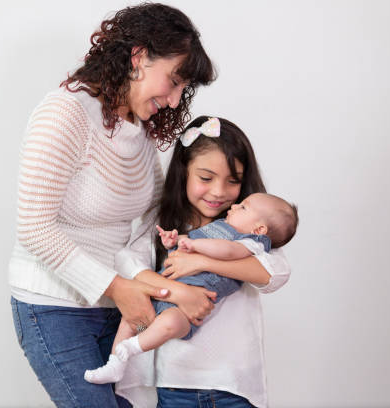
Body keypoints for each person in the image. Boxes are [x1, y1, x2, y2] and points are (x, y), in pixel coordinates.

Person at [8, 4, 216, 407]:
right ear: (138, 57)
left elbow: (156, 212)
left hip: (114, 306)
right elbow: (34, 227)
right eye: (173, 81)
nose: (174, 101)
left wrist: (214, 248)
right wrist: (121, 288)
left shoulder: (135, 127)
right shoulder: (65, 112)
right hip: (53, 306)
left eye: (181, 90)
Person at [112, 116, 294, 408]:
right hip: (175, 381)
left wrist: (201, 264)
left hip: (234, 384)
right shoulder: (164, 222)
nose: (219, 192)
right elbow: (128, 265)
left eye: (232, 181)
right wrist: (180, 292)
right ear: (184, 173)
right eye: (206, 178)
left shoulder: (248, 230)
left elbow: (274, 274)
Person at [84, 190, 298, 384]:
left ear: (259, 229)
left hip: (183, 310)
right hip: (164, 294)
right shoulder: (219, 227)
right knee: (131, 319)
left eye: (243, 207)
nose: (233, 206)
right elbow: (192, 240)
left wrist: (196, 249)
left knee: (169, 324)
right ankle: (115, 364)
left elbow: (228, 251)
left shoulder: (251, 243)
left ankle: (131, 348)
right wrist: (175, 240)